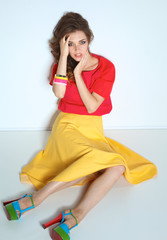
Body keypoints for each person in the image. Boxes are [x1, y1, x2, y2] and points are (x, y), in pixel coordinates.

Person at [3, 12, 158, 240]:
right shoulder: (61, 64)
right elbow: (59, 92)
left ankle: (75, 213)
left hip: (92, 129)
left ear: (90, 39)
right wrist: (66, 61)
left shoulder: (106, 67)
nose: (78, 49)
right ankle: (37, 201)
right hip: (67, 125)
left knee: (116, 167)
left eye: (82, 42)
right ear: (63, 45)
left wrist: (78, 73)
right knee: (102, 163)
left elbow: (93, 106)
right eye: (70, 43)